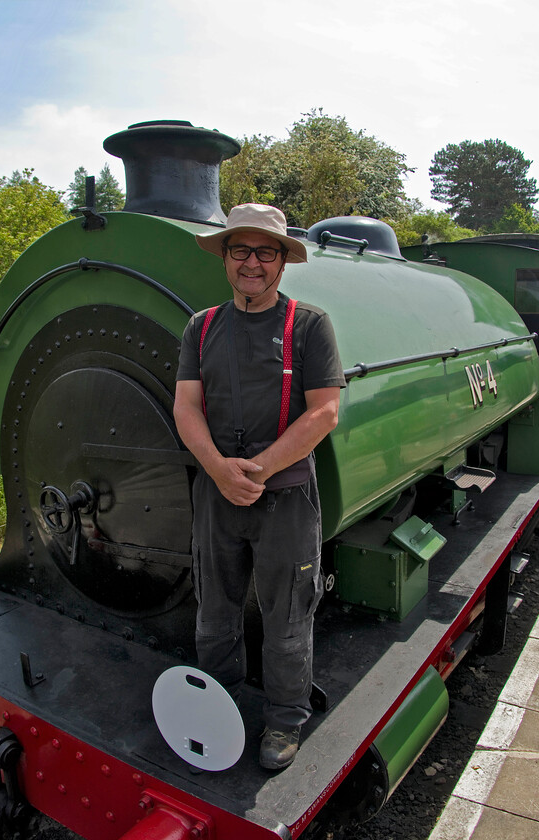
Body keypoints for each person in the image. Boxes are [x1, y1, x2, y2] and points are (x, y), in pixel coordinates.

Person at [174, 203, 345, 770]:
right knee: (213, 606)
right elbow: (186, 406)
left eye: (265, 252)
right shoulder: (201, 327)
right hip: (215, 494)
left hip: (287, 498)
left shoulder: (310, 325)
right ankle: (218, 705)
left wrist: (262, 468)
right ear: (225, 257)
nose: (252, 262)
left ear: (282, 263)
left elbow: (324, 414)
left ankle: (284, 720)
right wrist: (219, 469)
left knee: (288, 611)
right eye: (241, 250)